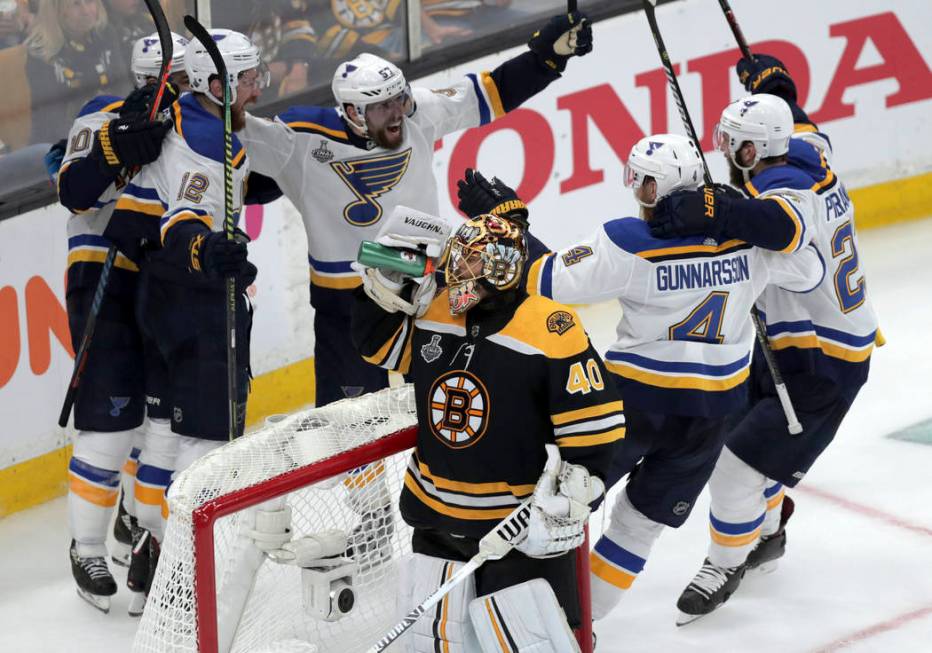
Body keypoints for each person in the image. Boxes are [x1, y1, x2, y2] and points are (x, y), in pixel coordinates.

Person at [457, 132, 825, 629]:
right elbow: (809, 271)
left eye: (642, 182)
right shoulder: (751, 244)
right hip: (711, 418)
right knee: (639, 525)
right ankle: (574, 628)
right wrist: (738, 213)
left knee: (560, 507)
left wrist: (512, 223)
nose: (637, 191)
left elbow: (542, 279)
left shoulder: (628, 242)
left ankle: (513, 615)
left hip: (631, 408)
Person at [239, 8, 593, 407]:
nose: (397, 113)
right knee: (351, 427)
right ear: (353, 112)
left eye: (399, 99)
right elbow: (227, 138)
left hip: (424, 286)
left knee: (436, 406)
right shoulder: (300, 138)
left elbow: (490, 93)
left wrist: (547, 58)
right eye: (382, 107)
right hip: (346, 302)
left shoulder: (417, 114)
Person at [649, 56, 880, 624]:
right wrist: (777, 91)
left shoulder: (786, 191)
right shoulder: (809, 152)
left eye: (733, 142)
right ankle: (768, 533)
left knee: (734, 464)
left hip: (823, 362)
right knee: (745, 438)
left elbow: (783, 228)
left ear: (753, 150)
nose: (726, 149)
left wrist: (719, 209)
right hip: (794, 339)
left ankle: (725, 563)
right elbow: (804, 128)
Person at [351, 211, 623, 651]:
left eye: (471, 262)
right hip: (435, 517)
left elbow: (595, 424)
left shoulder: (552, 327)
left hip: (517, 531)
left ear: (503, 266)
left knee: (536, 642)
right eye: (457, 259)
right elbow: (378, 346)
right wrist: (379, 292)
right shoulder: (437, 310)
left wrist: (579, 488)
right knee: (437, 645)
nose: (456, 271)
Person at [102, 27, 264, 612]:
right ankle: (183, 575)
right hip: (197, 305)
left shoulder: (187, 118)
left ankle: (150, 553)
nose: (256, 89)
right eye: (247, 79)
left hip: (160, 300)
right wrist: (206, 253)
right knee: (208, 443)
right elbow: (186, 222)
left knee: (167, 438)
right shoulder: (203, 139)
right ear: (214, 85)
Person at [55, 30, 185, 615]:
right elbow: (74, 191)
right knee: (110, 424)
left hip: (167, 282)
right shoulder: (101, 114)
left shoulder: (200, 124)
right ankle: (86, 547)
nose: (182, 91)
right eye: (173, 80)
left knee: (162, 420)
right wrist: (118, 147)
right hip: (104, 272)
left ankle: (135, 516)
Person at [25, 0, 128, 144]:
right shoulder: (41, 53)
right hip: (62, 143)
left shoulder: (106, 34)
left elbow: (123, 87)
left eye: (90, 1)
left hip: (108, 130)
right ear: (56, 12)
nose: (86, 11)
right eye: (75, 4)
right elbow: (51, 119)